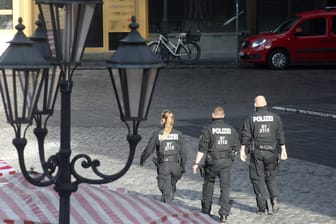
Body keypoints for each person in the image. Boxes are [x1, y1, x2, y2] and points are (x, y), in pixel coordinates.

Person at [240, 95, 288, 215]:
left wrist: (242, 150)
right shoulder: (275, 118)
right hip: (271, 152)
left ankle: (262, 207)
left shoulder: (251, 118)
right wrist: (283, 149)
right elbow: (280, 133)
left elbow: (245, 135)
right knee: (271, 177)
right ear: (266, 103)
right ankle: (275, 197)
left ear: (255, 105)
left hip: (257, 152)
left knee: (257, 179)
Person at [192, 106, 239, 223]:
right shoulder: (231, 129)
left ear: (213, 115)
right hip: (226, 163)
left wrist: (196, 163)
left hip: (211, 163)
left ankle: (206, 211)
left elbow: (201, 149)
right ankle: (224, 213)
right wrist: (231, 158)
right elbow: (236, 147)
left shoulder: (207, 129)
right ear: (223, 116)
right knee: (225, 188)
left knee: (208, 185)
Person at [140, 110, 186, 204]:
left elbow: (149, 150)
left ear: (163, 120)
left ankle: (168, 208)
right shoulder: (178, 134)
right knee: (170, 187)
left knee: (165, 189)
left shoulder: (158, 134)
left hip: (164, 166)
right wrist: (182, 167)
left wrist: (142, 159)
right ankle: (167, 201)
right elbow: (183, 153)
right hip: (176, 166)